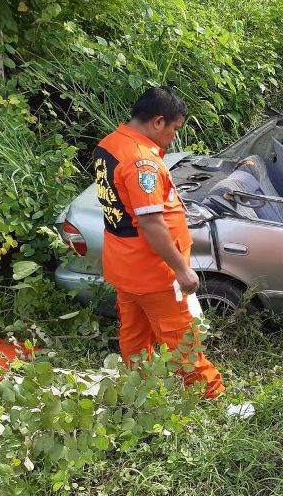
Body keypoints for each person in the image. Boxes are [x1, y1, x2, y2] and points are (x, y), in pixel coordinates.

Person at [93, 86, 224, 399]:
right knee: (181, 339)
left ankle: (139, 390)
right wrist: (181, 269)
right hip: (155, 273)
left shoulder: (109, 145)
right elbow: (151, 224)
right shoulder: (142, 162)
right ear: (158, 122)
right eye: (174, 129)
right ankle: (212, 397)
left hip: (126, 268)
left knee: (134, 335)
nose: (173, 137)